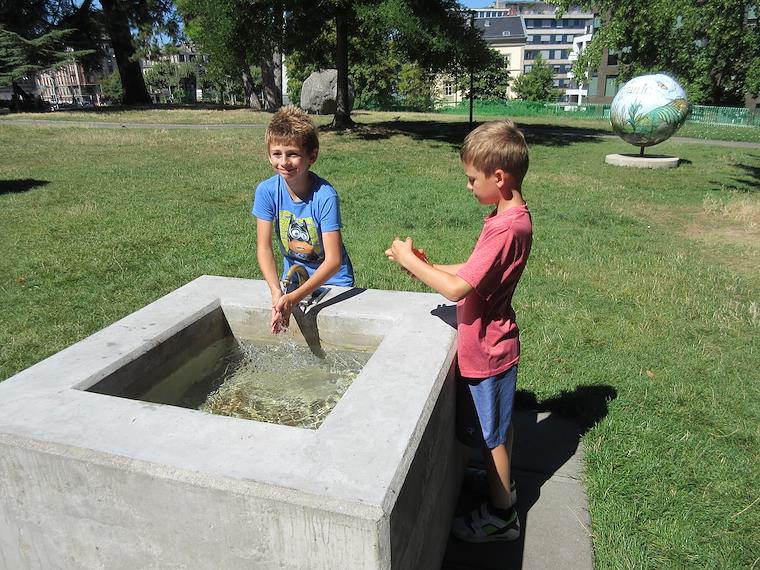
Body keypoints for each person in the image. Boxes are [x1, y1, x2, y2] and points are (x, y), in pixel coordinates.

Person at [385, 119, 532, 543]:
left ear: (499, 178)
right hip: (491, 344)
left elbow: (457, 288)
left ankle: (503, 515)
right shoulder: (510, 217)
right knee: (494, 430)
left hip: (488, 350)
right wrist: (426, 267)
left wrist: (410, 261)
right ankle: (498, 482)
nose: (468, 186)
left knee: (492, 435)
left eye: (472, 179)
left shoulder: (505, 229)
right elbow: (473, 271)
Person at [253, 105, 354, 332]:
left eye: (293, 154)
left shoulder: (325, 196)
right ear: (269, 155)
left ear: (312, 156)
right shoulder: (266, 191)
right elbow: (264, 248)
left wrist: (294, 297)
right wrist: (276, 291)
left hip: (334, 281)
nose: (284, 162)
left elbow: (334, 260)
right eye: (277, 153)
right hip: (294, 279)